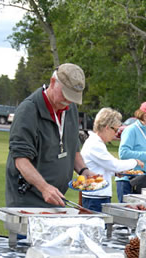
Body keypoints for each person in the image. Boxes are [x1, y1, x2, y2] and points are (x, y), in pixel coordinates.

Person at [5, 63, 95, 208]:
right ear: (53, 82)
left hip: (56, 198)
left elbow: (73, 149)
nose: (68, 101)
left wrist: (84, 171)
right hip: (28, 202)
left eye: (72, 97)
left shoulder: (70, 108)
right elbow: (21, 160)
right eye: (65, 94)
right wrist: (45, 188)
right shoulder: (28, 110)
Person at [80, 108, 143, 212]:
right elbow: (115, 165)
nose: (116, 134)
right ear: (107, 128)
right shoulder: (95, 144)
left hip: (97, 195)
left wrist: (115, 173)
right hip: (95, 197)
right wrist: (135, 162)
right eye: (116, 130)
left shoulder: (97, 143)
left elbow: (104, 166)